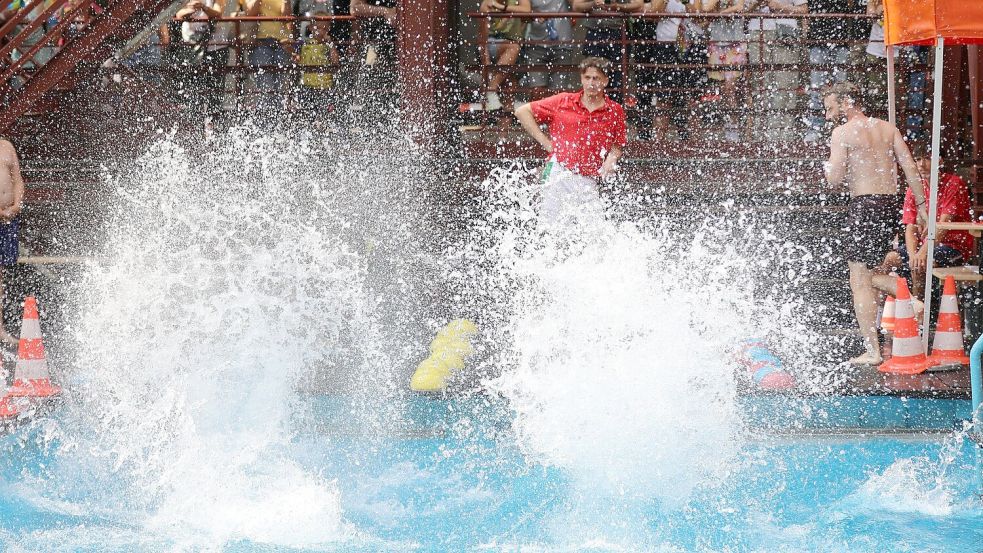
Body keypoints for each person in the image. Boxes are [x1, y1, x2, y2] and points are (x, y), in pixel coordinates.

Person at [822, 82, 927, 365]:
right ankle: (906, 296)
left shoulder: (841, 133)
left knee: (859, 279)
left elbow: (834, 178)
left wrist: (828, 167)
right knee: (871, 272)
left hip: (864, 205)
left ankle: (873, 350)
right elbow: (909, 167)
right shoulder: (887, 128)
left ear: (847, 102)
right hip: (889, 205)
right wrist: (921, 206)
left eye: (830, 107)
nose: (826, 114)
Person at [513, 57, 626, 226]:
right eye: (587, 78)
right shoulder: (563, 101)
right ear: (581, 79)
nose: (591, 83)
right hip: (558, 170)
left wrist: (611, 158)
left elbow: (618, 144)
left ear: (606, 81)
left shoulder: (615, 111)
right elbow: (522, 111)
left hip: (588, 177)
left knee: (596, 233)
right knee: (550, 228)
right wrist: (545, 142)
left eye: (596, 78)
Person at [873, 146, 973, 302]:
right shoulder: (914, 188)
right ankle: (890, 310)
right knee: (890, 259)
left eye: (927, 158)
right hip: (925, 244)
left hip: (954, 246)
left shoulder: (954, 183)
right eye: (918, 159)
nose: (921, 164)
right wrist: (914, 254)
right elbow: (910, 227)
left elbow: (943, 226)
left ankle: (920, 315)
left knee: (921, 263)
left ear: (939, 161)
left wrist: (921, 254)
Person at [745, 0, 807, 141]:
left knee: (785, 84)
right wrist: (756, 3)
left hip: (786, 31)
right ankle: (760, 135)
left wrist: (780, 7)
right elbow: (743, 11)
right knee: (760, 85)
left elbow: (803, 9)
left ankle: (785, 136)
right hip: (757, 31)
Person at [571, 0, 643, 102]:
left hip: (619, 33)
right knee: (594, 76)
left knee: (618, 82)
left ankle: (613, 112)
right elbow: (577, 6)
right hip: (596, 33)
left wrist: (617, 6)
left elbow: (638, 5)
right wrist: (593, 4)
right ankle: (593, 113)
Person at [703, 0, 747, 141]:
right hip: (717, 43)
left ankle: (734, 126)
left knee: (731, 88)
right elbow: (705, 9)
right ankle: (729, 123)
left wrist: (720, 13)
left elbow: (739, 6)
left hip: (735, 44)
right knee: (722, 89)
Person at [478, 0, 531, 111]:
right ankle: (492, 89)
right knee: (513, 47)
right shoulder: (487, 4)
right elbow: (482, 38)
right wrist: (486, 64)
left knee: (510, 86)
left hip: (514, 50)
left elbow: (527, 10)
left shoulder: (516, 2)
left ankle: (504, 127)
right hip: (494, 44)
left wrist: (503, 7)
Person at [244, 0, 294, 115]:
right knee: (265, 85)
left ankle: (278, 120)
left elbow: (287, 18)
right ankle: (267, 121)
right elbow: (250, 12)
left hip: (282, 42)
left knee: (281, 86)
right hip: (260, 41)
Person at [522, 0, 574, 101]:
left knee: (559, 94)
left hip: (562, 44)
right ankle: (538, 115)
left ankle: (554, 116)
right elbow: (522, 15)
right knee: (537, 92)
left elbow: (577, 5)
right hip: (536, 44)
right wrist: (532, 13)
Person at [0, 139, 23, 346]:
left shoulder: (7, 147)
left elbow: (17, 179)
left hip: (8, 218)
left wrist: (16, 205)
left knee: (1, 274)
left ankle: (1, 328)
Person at [297, 13, 340, 124]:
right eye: (318, 27)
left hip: (325, 87)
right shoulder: (305, 44)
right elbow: (298, 60)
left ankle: (323, 129)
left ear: (329, 29)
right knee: (308, 114)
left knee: (324, 115)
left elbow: (335, 61)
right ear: (310, 28)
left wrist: (330, 43)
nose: (321, 31)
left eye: (324, 28)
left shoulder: (328, 45)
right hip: (307, 86)